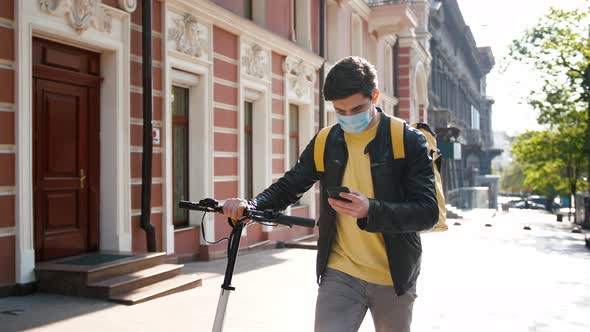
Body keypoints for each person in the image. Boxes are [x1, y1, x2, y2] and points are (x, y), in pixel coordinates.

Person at [222, 56, 438, 332]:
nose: (349, 117)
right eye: (340, 111)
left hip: (393, 275)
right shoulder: (327, 140)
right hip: (340, 270)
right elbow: (290, 185)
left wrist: (371, 210)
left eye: (357, 108)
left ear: (374, 96)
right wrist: (250, 206)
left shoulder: (406, 140)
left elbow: (428, 212)